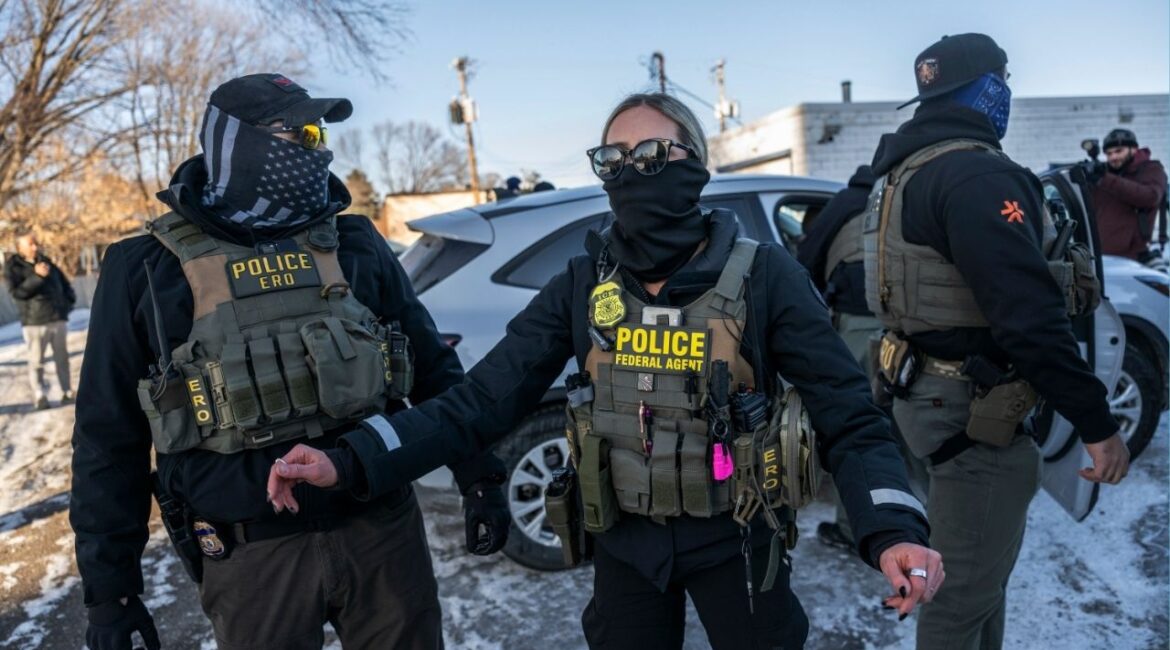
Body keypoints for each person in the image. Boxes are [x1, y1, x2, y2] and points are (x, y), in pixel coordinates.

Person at [269, 92, 943, 650]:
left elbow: (850, 418)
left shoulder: (766, 277)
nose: (630, 170)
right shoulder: (581, 284)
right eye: (612, 158)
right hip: (626, 548)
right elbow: (478, 404)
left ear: (695, 165)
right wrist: (351, 459)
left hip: (737, 540)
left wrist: (894, 530)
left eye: (651, 154)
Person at [70, 73, 511, 650]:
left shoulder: (354, 242)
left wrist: (480, 476)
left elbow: (431, 370)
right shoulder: (144, 270)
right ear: (235, 143)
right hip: (251, 553)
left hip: (380, 530)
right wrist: (112, 593)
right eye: (297, 133)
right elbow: (108, 438)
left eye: (317, 133)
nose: (316, 148)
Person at [864, 33, 1130, 649]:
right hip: (973, 416)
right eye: (1004, 80)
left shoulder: (907, 171)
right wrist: (1097, 421)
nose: (1008, 93)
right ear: (986, 88)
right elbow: (1029, 315)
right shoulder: (978, 174)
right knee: (959, 597)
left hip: (927, 398)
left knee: (980, 576)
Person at [796, 166, 929, 552]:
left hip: (859, 324)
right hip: (913, 328)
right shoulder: (911, 199)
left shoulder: (846, 201)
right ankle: (941, 518)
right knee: (913, 426)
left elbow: (806, 257)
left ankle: (852, 530)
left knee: (855, 425)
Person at [4, 232, 75, 410]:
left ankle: (67, 392)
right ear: (20, 248)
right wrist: (36, 277)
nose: (35, 247)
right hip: (35, 322)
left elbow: (65, 285)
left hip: (57, 319)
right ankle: (40, 396)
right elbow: (17, 294)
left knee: (62, 359)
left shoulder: (46, 261)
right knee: (37, 361)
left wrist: (67, 305)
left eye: (36, 243)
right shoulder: (13, 267)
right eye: (30, 244)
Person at [1084, 128, 1167, 262]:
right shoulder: (1103, 174)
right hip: (1100, 258)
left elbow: (1150, 197)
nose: (1113, 157)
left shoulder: (1150, 169)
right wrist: (1085, 179)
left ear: (1133, 149)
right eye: (1109, 154)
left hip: (1135, 259)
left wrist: (1105, 178)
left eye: (1118, 151)